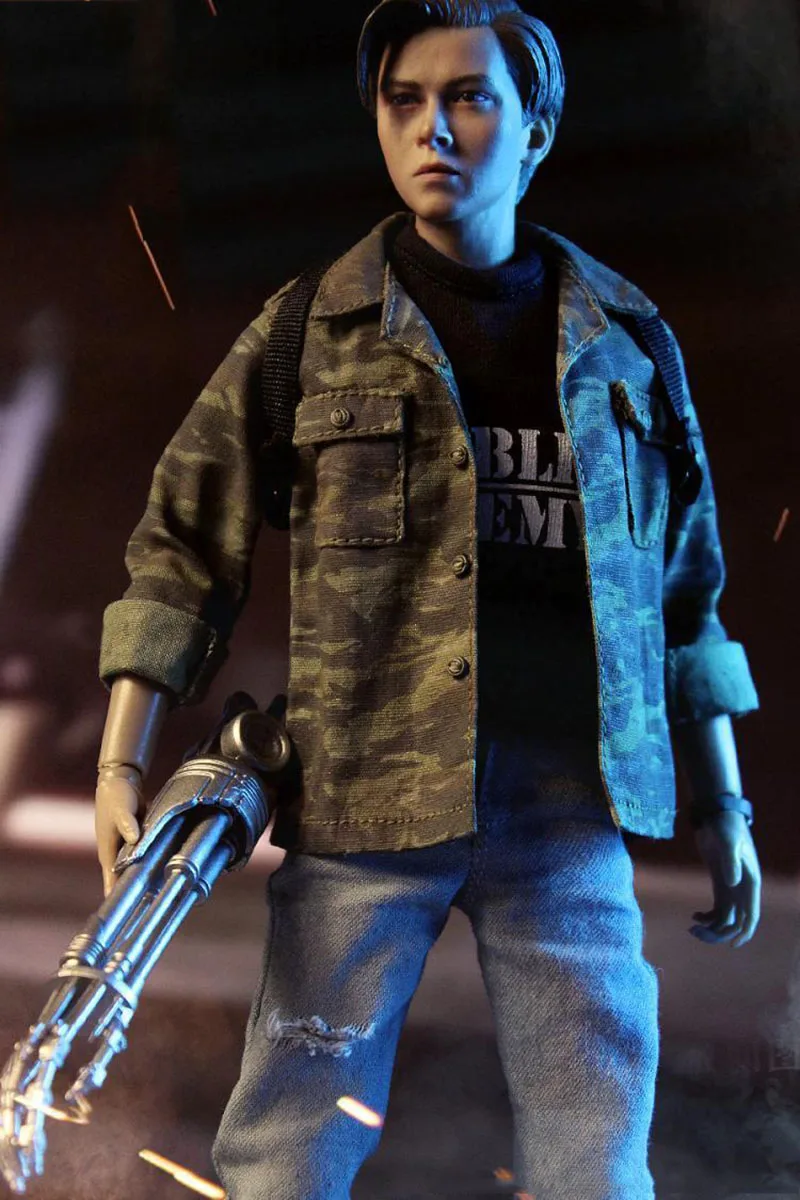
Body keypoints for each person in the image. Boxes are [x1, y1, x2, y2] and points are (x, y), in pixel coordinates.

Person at [94, 1, 763, 1196]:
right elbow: (182, 543)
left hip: (566, 813)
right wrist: (119, 763)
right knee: (291, 1137)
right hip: (365, 800)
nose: (431, 130)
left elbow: (683, 592)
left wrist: (723, 803)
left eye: (467, 98)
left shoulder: (627, 343)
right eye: (402, 100)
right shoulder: (310, 331)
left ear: (535, 127)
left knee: (595, 1147)